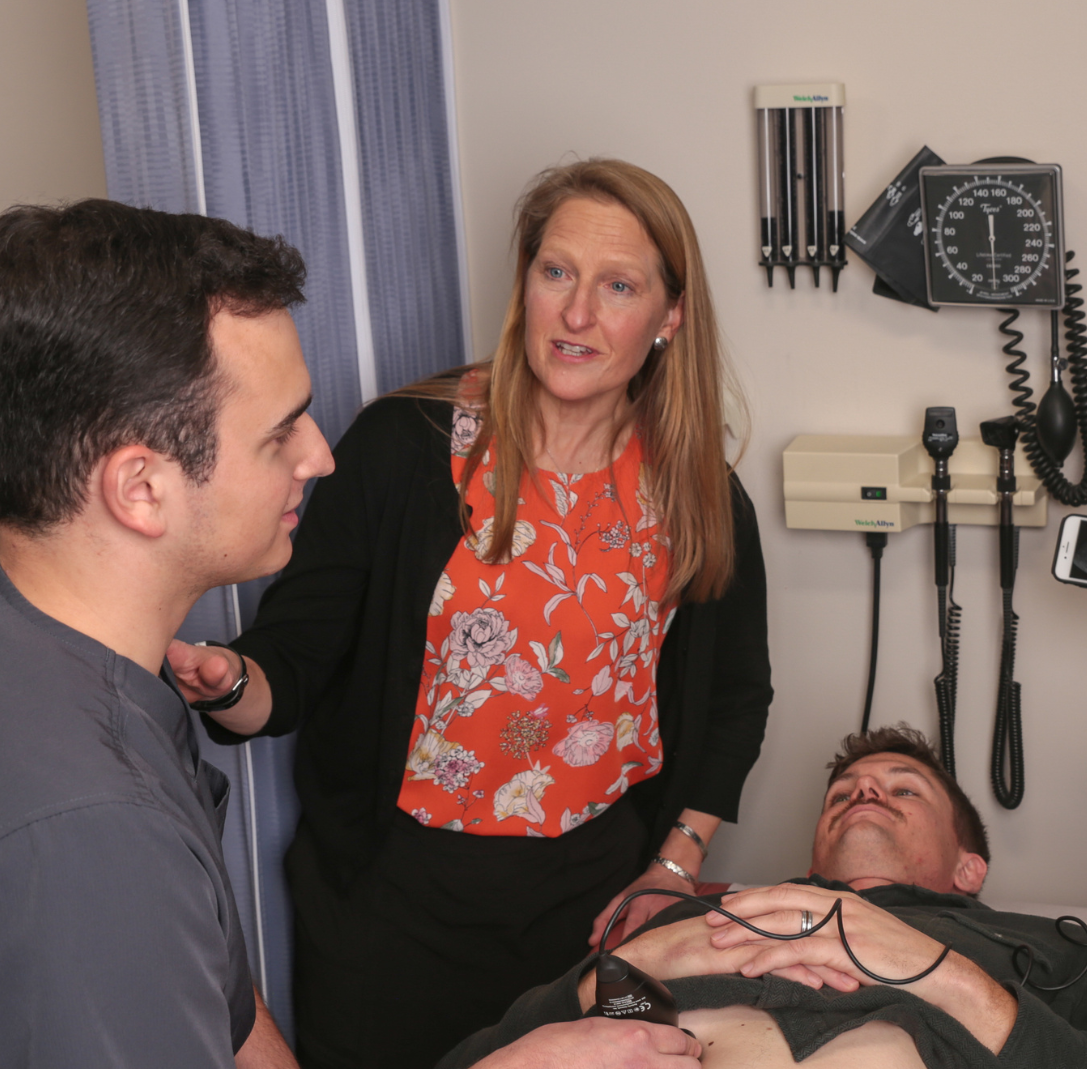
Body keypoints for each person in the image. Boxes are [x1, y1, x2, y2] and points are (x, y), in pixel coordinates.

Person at [169, 158, 773, 1068]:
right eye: (556, 272)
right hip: (395, 908)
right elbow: (291, 662)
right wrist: (228, 684)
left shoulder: (697, 495)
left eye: (618, 286)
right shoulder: (398, 448)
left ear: (669, 317)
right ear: (524, 280)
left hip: (595, 908)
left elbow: (735, 700)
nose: (577, 314)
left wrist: (676, 865)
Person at [0, 200, 328, 1066]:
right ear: (140, 489)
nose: (318, 455)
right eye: (280, 433)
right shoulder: (90, 841)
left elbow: (218, 1005)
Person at [443, 726, 1087, 1069]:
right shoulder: (700, 925)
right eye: (844, 793)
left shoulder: (1063, 953)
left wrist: (940, 971)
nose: (866, 789)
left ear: (971, 869)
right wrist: (638, 958)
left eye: (905, 789)